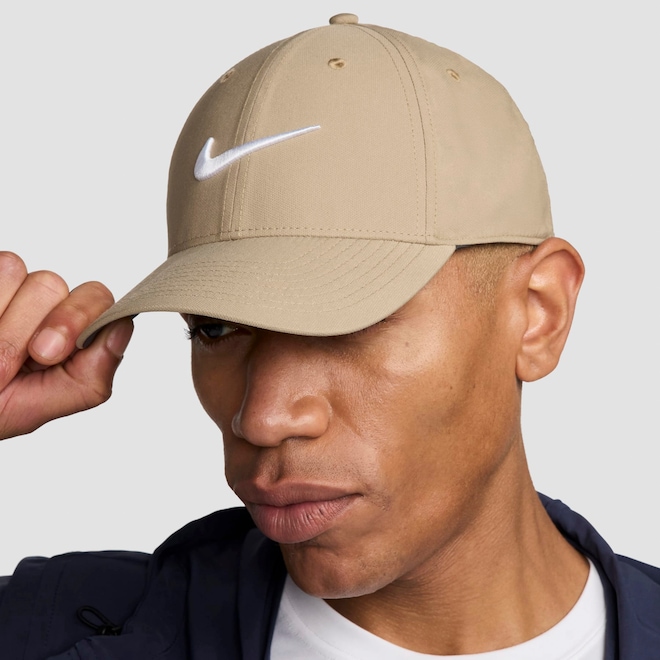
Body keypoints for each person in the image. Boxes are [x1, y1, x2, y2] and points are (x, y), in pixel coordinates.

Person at [0, 12, 658, 660]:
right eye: (214, 326)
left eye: (351, 319)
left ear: (539, 313)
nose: (261, 418)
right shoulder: (44, 629)